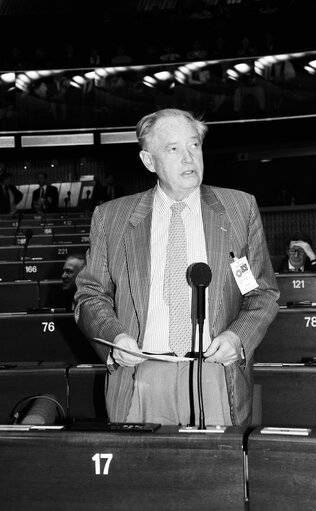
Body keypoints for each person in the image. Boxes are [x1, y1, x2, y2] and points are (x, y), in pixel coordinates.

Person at [75, 108, 279, 427]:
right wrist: (115, 338)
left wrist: (237, 338)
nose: (188, 158)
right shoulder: (110, 217)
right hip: (141, 376)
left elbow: (262, 294)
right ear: (149, 161)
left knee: (216, 477)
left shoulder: (240, 208)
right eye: (173, 149)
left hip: (216, 374)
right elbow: (89, 296)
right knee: (143, 476)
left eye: (194, 145)